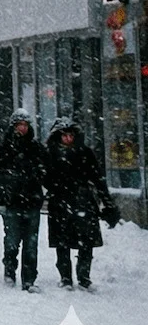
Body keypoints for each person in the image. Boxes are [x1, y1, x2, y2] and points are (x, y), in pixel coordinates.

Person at [43, 117, 120, 291]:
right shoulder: (51, 155)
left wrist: (107, 203)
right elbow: (44, 178)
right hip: (61, 203)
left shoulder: (85, 154)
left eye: (71, 135)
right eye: (65, 136)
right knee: (62, 243)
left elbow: (98, 179)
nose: (68, 139)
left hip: (83, 202)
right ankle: (66, 277)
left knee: (86, 242)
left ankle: (84, 276)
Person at [0, 111, 47, 290]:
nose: (22, 128)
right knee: (12, 241)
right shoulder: (2, 148)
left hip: (31, 200)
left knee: (30, 244)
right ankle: (10, 272)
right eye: (19, 125)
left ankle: (29, 279)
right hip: (11, 201)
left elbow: (46, 172)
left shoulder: (36, 148)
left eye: (25, 125)